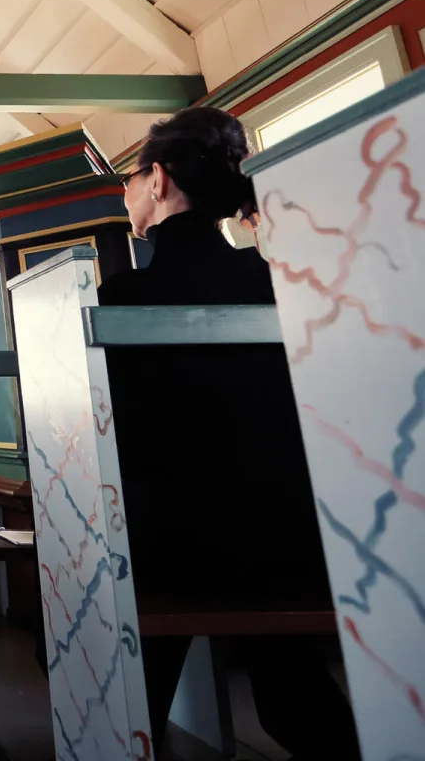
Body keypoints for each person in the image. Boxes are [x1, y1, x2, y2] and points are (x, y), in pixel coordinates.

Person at [105, 106, 359, 760]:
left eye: (130, 178)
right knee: (291, 700)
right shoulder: (277, 284)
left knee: (128, 701)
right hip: (288, 544)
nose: (125, 192)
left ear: (158, 181)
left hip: (168, 554)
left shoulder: (119, 300)